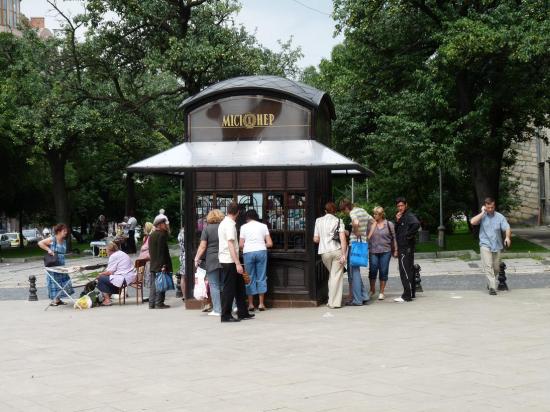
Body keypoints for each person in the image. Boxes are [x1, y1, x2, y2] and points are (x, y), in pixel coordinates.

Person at [218, 202, 254, 323]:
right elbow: (230, 244)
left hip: (228, 259)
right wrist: (238, 263)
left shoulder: (224, 223)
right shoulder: (229, 225)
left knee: (239, 286)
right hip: (230, 260)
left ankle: (242, 312)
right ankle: (225, 315)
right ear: (238, 212)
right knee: (229, 288)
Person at [471, 197, 512, 295]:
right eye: (488, 207)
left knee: (496, 268)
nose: (490, 209)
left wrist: (507, 237)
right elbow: (473, 222)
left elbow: (507, 228)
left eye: (492, 207)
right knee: (488, 266)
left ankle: (490, 283)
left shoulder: (500, 217)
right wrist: (482, 213)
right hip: (485, 245)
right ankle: (492, 288)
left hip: (497, 245)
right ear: (485, 207)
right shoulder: (483, 216)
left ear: (494, 206)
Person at [313, 202, 347, 309]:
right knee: (336, 276)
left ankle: (329, 300)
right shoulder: (338, 221)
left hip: (324, 252)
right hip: (336, 250)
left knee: (332, 276)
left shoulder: (318, 221)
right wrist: (344, 254)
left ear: (325, 211)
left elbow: (316, 239)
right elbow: (342, 239)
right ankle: (334, 303)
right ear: (335, 211)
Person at [339, 199, 372, 306]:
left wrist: (357, 233)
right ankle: (364, 296)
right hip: (362, 244)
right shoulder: (362, 210)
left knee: (353, 272)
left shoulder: (352, 213)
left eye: (344, 210)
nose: (345, 212)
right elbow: (374, 222)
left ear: (346, 207)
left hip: (354, 244)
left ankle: (357, 300)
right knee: (356, 270)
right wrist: (367, 236)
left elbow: (356, 223)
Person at [239, 209, 273, 311]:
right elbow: (270, 243)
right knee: (261, 276)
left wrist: (247, 246)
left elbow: (241, 244)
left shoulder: (243, 227)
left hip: (248, 252)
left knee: (249, 278)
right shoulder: (263, 226)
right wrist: (261, 244)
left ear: (247, 218)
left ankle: (250, 304)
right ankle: (261, 304)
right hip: (261, 252)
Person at [194, 209, 225, 316]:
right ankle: (232, 306)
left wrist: (196, 258)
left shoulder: (206, 229)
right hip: (224, 258)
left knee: (214, 285)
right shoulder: (224, 227)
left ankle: (217, 309)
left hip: (211, 259)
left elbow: (203, 246)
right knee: (224, 284)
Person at [367, 206, 398, 300]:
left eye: (375, 214)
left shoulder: (389, 224)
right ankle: (372, 290)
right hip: (373, 251)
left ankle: (381, 292)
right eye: (374, 214)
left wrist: (396, 249)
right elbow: (367, 237)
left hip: (386, 251)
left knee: (383, 271)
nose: (374, 215)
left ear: (380, 215)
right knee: (372, 271)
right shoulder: (371, 224)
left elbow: (394, 237)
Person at [38, 224, 73, 306]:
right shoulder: (53, 239)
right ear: (59, 231)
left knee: (62, 280)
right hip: (53, 263)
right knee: (54, 281)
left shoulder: (63, 241)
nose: (66, 232)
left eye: (66, 231)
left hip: (61, 263)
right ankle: (54, 300)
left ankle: (58, 299)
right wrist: (49, 250)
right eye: (64, 231)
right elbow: (40, 243)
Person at [394, 197, 420, 303]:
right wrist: (397, 220)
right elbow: (397, 230)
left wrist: (407, 236)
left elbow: (416, 224)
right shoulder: (402, 217)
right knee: (408, 269)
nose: (400, 208)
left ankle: (406, 295)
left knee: (404, 270)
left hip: (406, 247)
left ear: (406, 205)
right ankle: (411, 293)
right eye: (398, 206)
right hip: (404, 247)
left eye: (402, 205)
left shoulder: (409, 216)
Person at [148, 214, 172, 309]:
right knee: (161, 283)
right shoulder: (161, 235)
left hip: (153, 262)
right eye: (164, 224)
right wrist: (163, 265)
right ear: (159, 225)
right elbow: (161, 252)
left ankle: (151, 303)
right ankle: (159, 303)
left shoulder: (152, 235)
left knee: (154, 285)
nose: (165, 225)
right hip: (160, 263)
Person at [138, 222, 154, 301]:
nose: (143, 229)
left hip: (149, 260)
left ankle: (152, 295)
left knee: (150, 277)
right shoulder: (146, 238)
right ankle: (151, 295)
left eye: (144, 227)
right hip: (145, 261)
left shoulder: (150, 237)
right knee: (147, 277)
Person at [177, 227, 186, 301]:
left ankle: (184, 295)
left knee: (183, 276)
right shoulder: (188, 233)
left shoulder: (180, 234)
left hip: (182, 255)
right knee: (192, 276)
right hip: (188, 256)